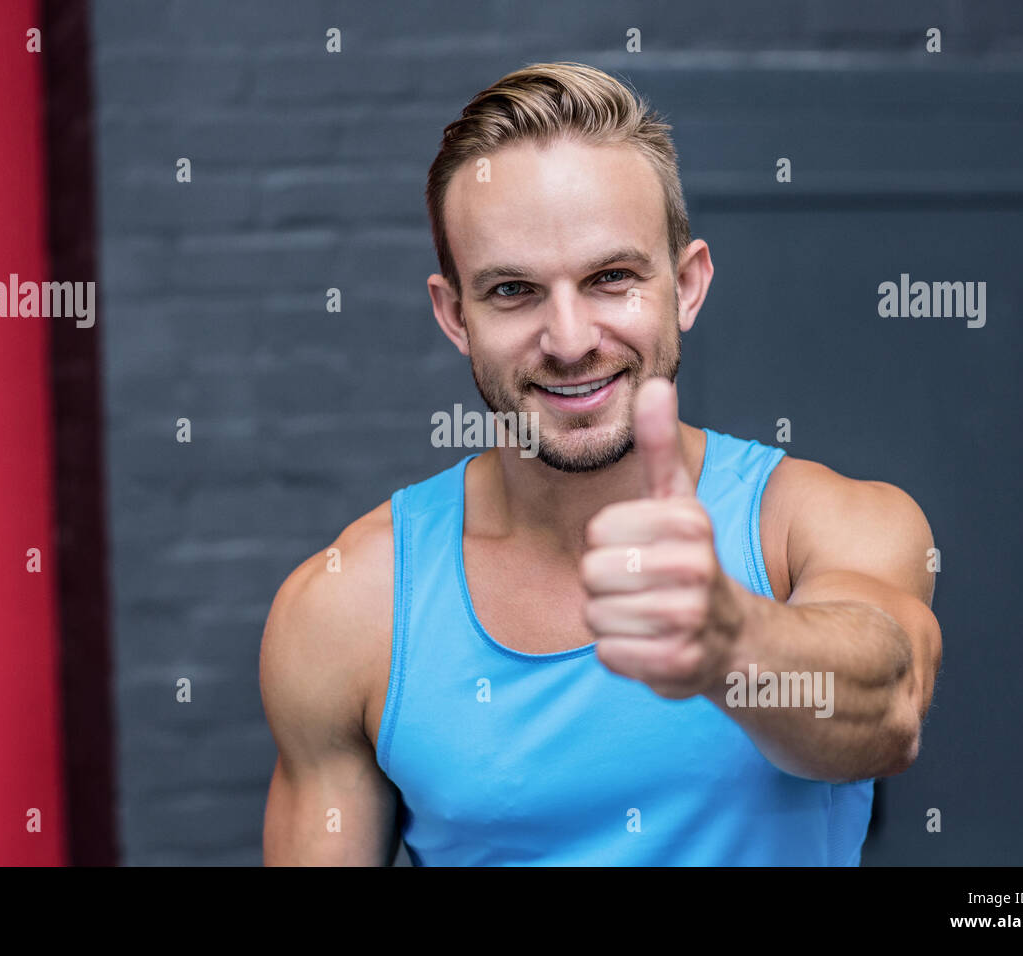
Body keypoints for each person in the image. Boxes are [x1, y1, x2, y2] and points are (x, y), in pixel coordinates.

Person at [259, 61, 941, 866]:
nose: (572, 338)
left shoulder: (821, 527)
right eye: (513, 291)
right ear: (455, 316)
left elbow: (888, 710)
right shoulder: (347, 608)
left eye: (611, 278)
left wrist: (729, 640)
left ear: (686, 286)